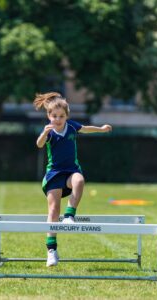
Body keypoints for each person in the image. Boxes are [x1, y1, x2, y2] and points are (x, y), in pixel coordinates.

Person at [33, 92, 112, 267]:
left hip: (70, 171)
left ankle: (70, 215)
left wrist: (101, 129)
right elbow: (38, 144)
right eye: (54, 116)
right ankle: (51, 250)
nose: (58, 119)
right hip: (54, 174)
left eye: (61, 116)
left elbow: (86, 128)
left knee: (79, 180)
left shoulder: (72, 126)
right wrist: (44, 133)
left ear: (67, 116)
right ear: (49, 116)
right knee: (53, 211)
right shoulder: (50, 132)